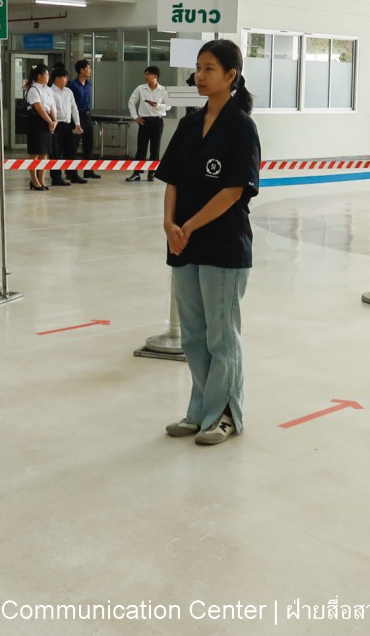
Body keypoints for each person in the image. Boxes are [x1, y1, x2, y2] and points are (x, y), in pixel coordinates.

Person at [157, 39, 261, 447]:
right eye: (198, 68)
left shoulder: (242, 127)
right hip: (183, 243)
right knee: (194, 336)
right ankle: (200, 411)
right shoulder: (188, 125)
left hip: (223, 244)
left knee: (222, 336)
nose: (199, 76)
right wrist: (169, 224)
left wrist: (189, 225)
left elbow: (233, 190)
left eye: (209, 69)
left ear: (231, 76)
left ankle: (225, 414)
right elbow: (172, 180)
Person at [127, 65, 169, 181]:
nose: (146, 76)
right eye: (145, 74)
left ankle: (152, 173)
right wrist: (135, 117)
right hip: (144, 121)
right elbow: (131, 102)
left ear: (155, 76)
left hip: (157, 121)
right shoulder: (141, 88)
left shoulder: (163, 90)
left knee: (155, 149)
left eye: (148, 74)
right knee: (141, 148)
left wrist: (158, 105)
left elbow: (169, 106)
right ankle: (137, 173)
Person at [49, 66, 86, 186]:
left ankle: (72, 174)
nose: (66, 80)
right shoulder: (50, 91)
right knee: (56, 152)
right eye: (64, 77)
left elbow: (74, 108)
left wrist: (77, 124)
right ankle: (56, 177)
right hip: (56, 125)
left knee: (71, 150)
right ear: (57, 78)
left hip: (68, 124)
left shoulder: (68, 91)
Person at [23, 64, 56, 191]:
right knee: (35, 153)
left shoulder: (48, 90)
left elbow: (52, 106)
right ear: (39, 76)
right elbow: (39, 108)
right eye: (46, 74)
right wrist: (50, 121)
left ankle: (41, 179)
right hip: (36, 122)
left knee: (44, 152)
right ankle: (34, 180)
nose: (48, 76)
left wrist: (54, 121)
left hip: (48, 121)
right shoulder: (33, 89)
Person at [68, 59, 100, 179]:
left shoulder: (89, 84)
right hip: (76, 116)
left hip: (87, 116)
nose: (90, 70)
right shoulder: (72, 85)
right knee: (74, 145)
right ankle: (71, 173)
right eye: (88, 68)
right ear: (81, 70)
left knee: (89, 144)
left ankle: (88, 170)